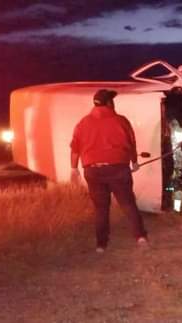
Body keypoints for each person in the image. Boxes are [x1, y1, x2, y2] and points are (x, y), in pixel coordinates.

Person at [70, 89, 148, 253]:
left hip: (92, 170)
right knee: (128, 204)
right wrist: (134, 162)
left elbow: (75, 149)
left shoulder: (83, 123)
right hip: (118, 168)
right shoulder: (121, 121)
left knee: (101, 208)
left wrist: (74, 169)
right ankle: (140, 237)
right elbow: (131, 143)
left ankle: (101, 245)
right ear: (108, 103)